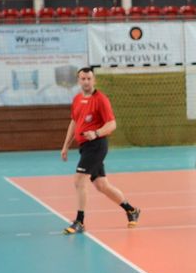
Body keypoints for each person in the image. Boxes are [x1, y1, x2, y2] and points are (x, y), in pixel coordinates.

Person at [60, 67, 140, 234]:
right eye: (83, 78)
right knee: (101, 185)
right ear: (78, 80)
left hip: (96, 145)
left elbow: (112, 124)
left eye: (89, 78)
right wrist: (66, 145)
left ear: (94, 80)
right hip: (84, 147)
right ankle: (131, 210)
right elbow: (74, 122)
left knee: (79, 179)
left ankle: (80, 222)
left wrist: (96, 133)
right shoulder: (77, 99)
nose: (86, 81)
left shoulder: (101, 99)